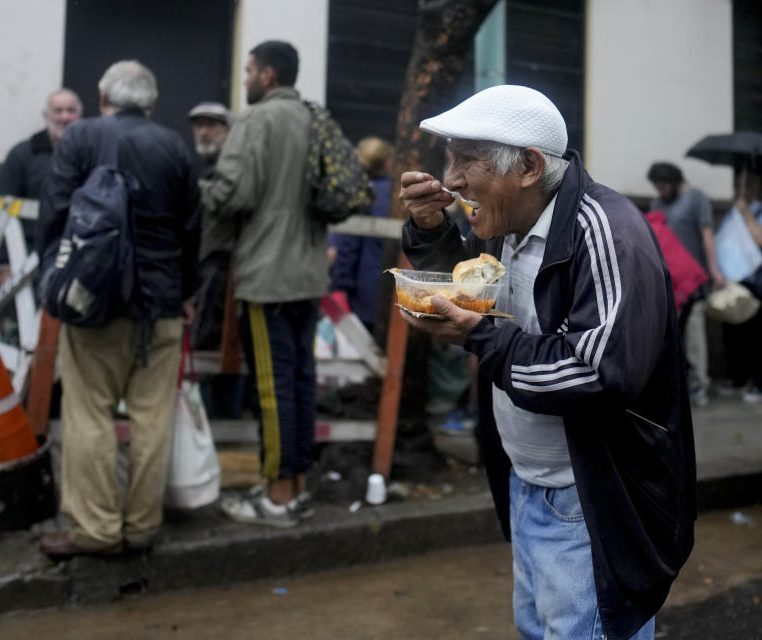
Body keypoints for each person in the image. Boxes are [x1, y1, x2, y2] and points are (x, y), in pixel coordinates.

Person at [398, 85, 696, 640]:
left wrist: (481, 340)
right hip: (528, 482)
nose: (452, 178)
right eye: (449, 159)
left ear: (530, 167)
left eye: (467, 160)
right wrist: (432, 229)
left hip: (589, 501)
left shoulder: (604, 231)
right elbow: (472, 291)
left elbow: (598, 371)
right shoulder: (507, 223)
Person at [37, 60, 200, 557]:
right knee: (152, 418)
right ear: (149, 104)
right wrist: (184, 292)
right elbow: (191, 229)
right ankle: (142, 525)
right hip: (162, 304)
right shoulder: (175, 145)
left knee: (89, 413)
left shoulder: (81, 137)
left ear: (104, 98)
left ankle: (95, 529)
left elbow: (55, 216)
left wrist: (55, 280)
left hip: (96, 304)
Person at [200, 40, 323, 528]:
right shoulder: (315, 117)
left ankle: (274, 498)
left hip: (267, 275)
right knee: (301, 383)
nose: (245, 78)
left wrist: (200, 190)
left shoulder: (255, 121)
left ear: (267, 75)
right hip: (309, 272)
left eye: (249, 70)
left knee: (272, 390)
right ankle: (296, 488)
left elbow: (234, 192)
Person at [647, 162, 725, 406]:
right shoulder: (658, 203)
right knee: (668, 336)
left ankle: (699, 383)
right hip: (667, 283)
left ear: (675, 180)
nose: (660, 191)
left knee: (693, 336)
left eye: (663, 185)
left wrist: (714, 269)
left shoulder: (696, 198)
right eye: (656, 187)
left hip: (694, 281)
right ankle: (673, 385)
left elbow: (707, 234)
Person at [717, 172, 762, 402]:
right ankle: (738, 378)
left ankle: (760, 383)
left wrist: (746, 213)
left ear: (755, 188)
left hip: (757, 283)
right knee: (733, 333)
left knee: (757, 335)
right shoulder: (730, 215)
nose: (740, 189)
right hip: (733, 282)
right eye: (737, 185)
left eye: (745, 185)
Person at [328, 136, 392, 333]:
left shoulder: (357, 194)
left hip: (363, 295)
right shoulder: (395, 193)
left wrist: (340, 285)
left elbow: (345, 247)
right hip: (394, 294)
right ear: (388, 163)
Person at [188, 101, 234, 350]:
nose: (203, 132)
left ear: (229, 130)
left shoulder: (231, 171)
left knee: (208, 346)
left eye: (211, 126)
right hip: (201, 269)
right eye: (198, 126)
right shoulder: (201, 169)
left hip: (220, 270)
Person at [0, 88, 83, 201]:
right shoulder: (21, 154)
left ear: (80, 116)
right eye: (58, 111)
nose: (65, 117)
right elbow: (6, 200)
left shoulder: (90, 154)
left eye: (71, 111)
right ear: (46, 116)